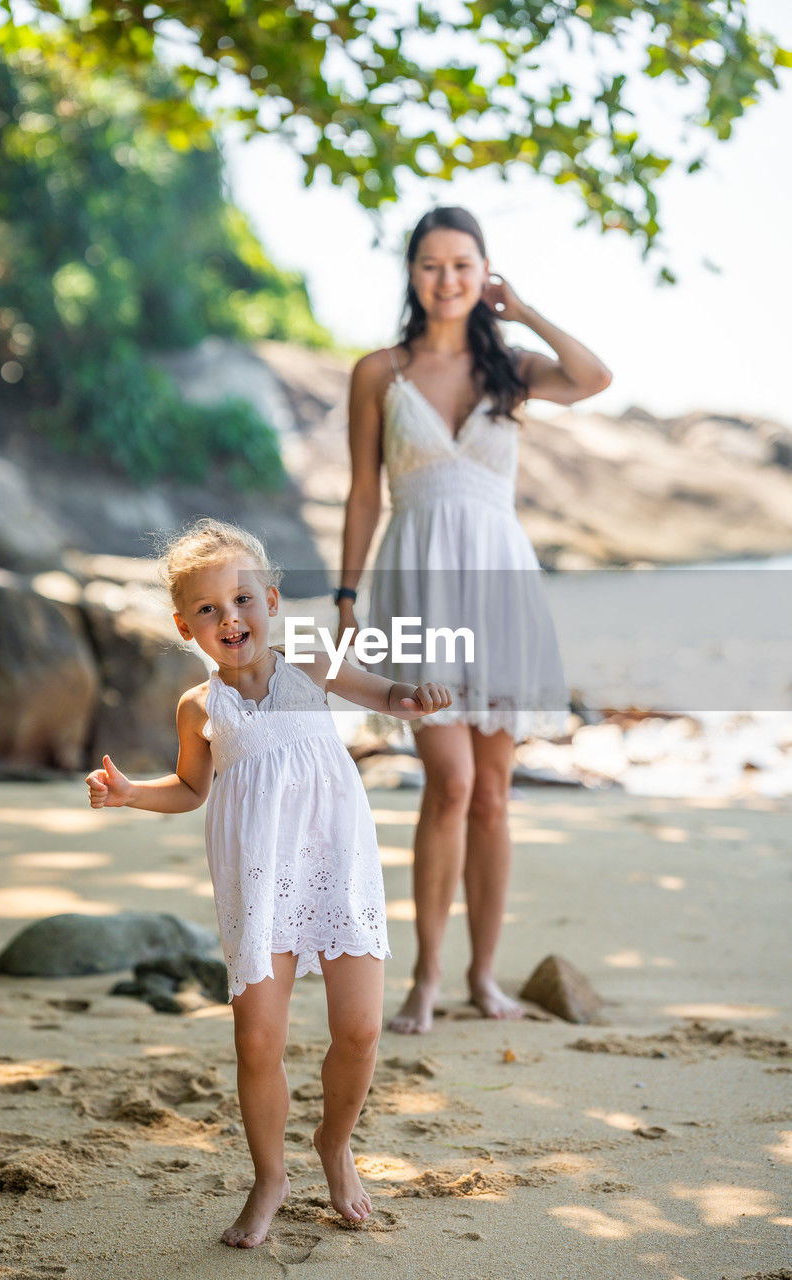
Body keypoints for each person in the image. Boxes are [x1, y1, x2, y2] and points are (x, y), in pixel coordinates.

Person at [85, 518, 450, 1249]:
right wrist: (132, 794)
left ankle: (333, 1143)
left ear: (273, 600)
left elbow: (382, 693)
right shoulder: (200, 707)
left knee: (360, 1029)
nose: (230, 618)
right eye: (210, 610)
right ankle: (270, 1176)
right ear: (185, 625)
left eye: (242, 599)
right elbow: (192, 789)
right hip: (257, 880)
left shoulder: (310, 663)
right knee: (258, 1040)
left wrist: (411, 695)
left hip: (336, 866)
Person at [337, 205, 612, 1034]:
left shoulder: (512, 368)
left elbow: (594, 376)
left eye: (462, 264)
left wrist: (522, 311)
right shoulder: (378, 372)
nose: (446, 279)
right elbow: (360, 492)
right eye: (431, 264)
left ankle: (482, 978)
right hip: (417, 585)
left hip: (500, 589)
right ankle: (423, 978)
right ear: (411, 274)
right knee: (449, 783)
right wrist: (346, 599)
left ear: (482, 272)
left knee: (492, 795)